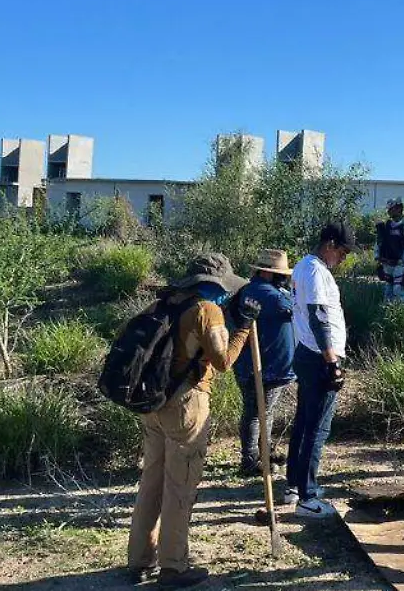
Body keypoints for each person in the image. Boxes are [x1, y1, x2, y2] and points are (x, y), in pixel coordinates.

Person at [128, 253, 259, 589]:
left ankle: (140, 560)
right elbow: (223, 360)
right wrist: (243, 327)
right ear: (216, 285)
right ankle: (174, 566)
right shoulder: (206, 310)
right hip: (186, 404)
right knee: (180, 485)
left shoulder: (165, 302)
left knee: (152, 481)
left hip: (153, 402)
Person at [284, 222, 354, 518]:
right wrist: (332, 361)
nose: (344, 258)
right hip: (318, 358)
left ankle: (295, 485)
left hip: (310, 355)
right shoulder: (313, 270)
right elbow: (318, 316)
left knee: (304, 422)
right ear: (330, 244)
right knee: (317, 427)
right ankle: (307, 496)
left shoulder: (306, 266)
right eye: (343, 252)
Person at [230, 249, 296, 478]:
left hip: (268, 367)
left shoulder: (267, 290)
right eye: (280, 273)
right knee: (257, 413)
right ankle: (250, 460)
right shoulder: (265, 293)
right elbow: (294, 306)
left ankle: (264, 450)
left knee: (263, 411)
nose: (284, 277)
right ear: (269, 273)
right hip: (259, 367)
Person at [376, 197, 404, 302]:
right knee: (388, 290)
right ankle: (388, 312)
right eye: (389, 209)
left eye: (392, 209)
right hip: (388, 262)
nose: (389, 211)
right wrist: (377, 256)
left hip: (400, 263)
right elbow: (380, 241)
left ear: (400, 208)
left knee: (398, 289)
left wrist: (403, 259)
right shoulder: (388, 225)